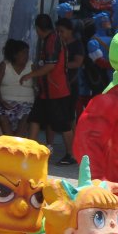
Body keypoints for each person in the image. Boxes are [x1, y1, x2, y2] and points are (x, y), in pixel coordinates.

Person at [24, 14, 76, 165]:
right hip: (46, 91)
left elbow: (50, 66)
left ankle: (71, 155)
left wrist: (30, 74)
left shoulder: (52, 40)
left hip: (57, 91)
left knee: (63, 124)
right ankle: (30, 150)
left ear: (38, 29)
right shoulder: (51, 39)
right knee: (35, 118)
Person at [0, 39, 35, 136]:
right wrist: (2, 101)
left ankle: (15, 142)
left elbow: (38, 83)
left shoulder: (31, 65)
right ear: (15, 55)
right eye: (23, 53)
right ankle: (11, 142)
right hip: (6, 103)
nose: (26, 56)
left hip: (27, 104)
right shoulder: (4, 65)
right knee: (3, 117)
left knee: (27, 117)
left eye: (27, 53)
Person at [57, 18, 94, 124]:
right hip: (58, 82)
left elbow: (77, 63)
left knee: (70, 113)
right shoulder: (58, 43)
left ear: (70, 31)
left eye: (62, 31)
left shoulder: (77, 45)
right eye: (58, 31)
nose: (59, 34)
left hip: (71, 82)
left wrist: (59, 66)